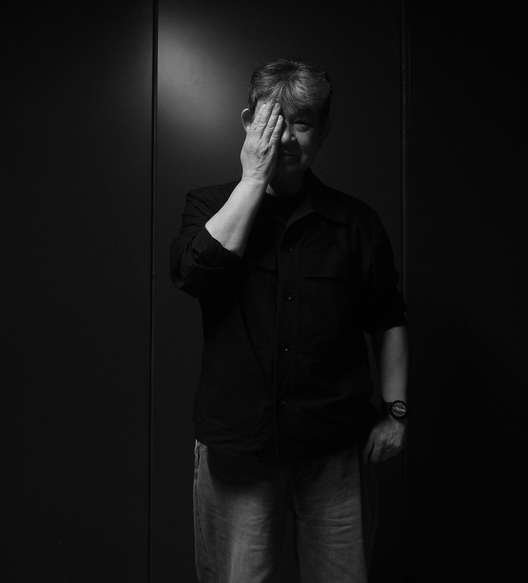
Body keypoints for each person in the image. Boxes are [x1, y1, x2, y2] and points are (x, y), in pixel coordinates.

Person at [169, 58, 410, 583]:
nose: (284, 138)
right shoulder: (208, 205)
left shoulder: (356, 223)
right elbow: (192, 273)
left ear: (322, 132)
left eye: (300, 124)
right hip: (239, 449)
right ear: (247, 121)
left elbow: (387, 318)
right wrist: (253, 180)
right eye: (271, 121)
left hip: (334, 449)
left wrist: (396, 412)